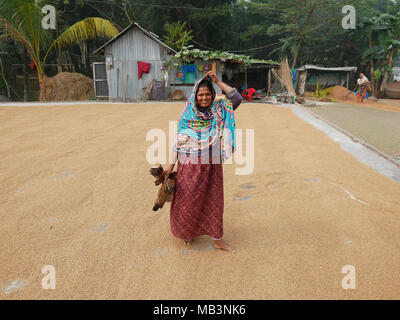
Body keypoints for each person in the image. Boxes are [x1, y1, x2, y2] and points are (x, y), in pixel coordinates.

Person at [166, 71, 242, 253]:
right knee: (187, 202)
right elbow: (177, 143)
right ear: (195, 96)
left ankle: (218, 240)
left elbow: (236, 98)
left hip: (212, 167)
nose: (205, 98)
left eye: (208, 94)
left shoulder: (219, 110)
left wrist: (217, 81)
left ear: (212, 94)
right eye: (201, 94)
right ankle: (188, 232)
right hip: (188, 168)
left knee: (214, 202)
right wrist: (169, 167)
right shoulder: (187, 117)